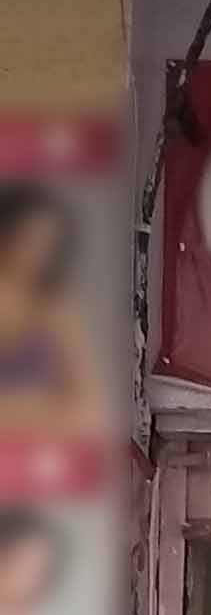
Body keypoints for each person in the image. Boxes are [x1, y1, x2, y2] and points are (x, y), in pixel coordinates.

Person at [0, 184, 105, 438]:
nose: (33, 253)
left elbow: (90, 410)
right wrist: (41, 403)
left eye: (45, 244)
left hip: (35, 457)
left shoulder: (58, 311)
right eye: (25, 239)